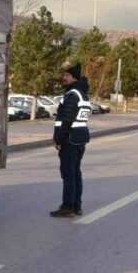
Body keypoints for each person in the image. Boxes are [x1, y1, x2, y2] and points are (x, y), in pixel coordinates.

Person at [50, 63, 92, 218]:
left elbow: (66, 119)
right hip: (80, 138)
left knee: (68, 174)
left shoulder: (72, 95)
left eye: (67, 75)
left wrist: (59, 139)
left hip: (70, 139)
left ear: (73, 77)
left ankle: (68, 206)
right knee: (75, 173)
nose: (64, 78)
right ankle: (76, 206)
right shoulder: (83, 94)